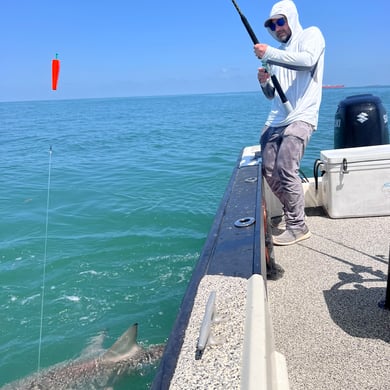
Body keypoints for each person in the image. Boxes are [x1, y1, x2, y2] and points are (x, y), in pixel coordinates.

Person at [254, 0, 325, 246]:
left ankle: (298, 226)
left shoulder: (311, 35)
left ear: (291, 18)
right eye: (272, 25)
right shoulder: (274, 54)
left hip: (302, 115)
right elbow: (271, 94)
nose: (277, 28)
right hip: (276, 118)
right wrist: (264, 81)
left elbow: (307, 61)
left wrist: (270, 54)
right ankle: (292, 213)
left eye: (280, 21)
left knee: (286, 168)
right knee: (270, 171)